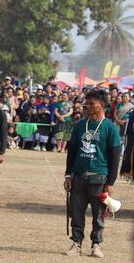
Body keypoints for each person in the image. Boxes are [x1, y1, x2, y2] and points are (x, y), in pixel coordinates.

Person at [64, 89, 121, 258]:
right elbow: (72, 151)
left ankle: (96, 245)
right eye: (86, 103)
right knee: (76, 212)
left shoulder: (110, 127)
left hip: (99, 177)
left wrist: (110, 182)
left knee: (99, 214)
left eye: (91, 103)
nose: (87, 106)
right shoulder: (81, 125)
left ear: (102, 105)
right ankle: (76, 243)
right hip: (79, 177)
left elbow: (115, 156)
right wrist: (68, 174)